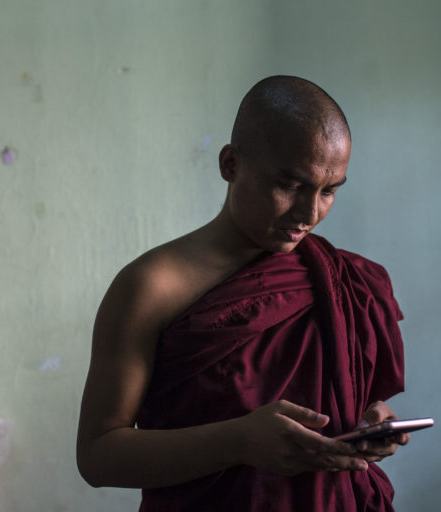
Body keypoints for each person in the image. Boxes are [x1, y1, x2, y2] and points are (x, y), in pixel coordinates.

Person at [76, 75, 409, 511]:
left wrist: (369, 422)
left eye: (328, 191)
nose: (310, 213)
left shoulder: (346, 281)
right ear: (230, 164)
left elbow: (341, 398)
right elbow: (98, 456)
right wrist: (238, 441)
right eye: (291, 186)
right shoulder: (151, 286)